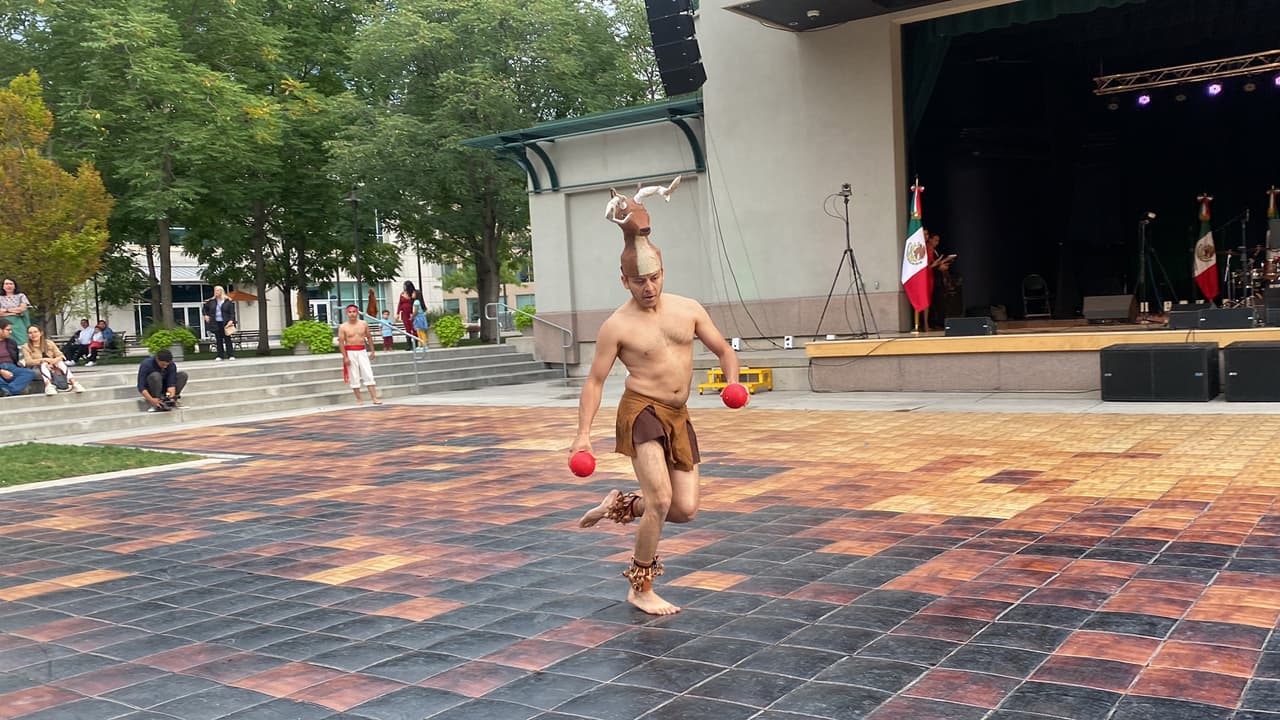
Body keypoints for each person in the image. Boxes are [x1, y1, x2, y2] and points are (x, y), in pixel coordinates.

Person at [572, 178, 741, 616]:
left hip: (678, 414)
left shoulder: (688, 309)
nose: (648, 287)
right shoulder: (617, 326)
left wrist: (732, 381)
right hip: (642, 411)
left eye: (654, 277)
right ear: (624, 280)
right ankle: (640, 585)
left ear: (663, 272)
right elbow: (594, 381)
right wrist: (582, 436)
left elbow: (724, 349)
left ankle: (620, 504)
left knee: (684, 509)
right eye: (639, 280)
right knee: (662, 501)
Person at [337, 304, 381, 405]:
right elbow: (341, 342)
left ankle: (374, 398)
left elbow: (369, 337)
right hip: (350, 351)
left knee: (368, 374)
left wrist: (372, 351)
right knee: (354, 375)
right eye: (350, 312)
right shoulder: (343, 327)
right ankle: (359, 399)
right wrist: (345, 357)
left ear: (357, 312)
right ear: (347, 313)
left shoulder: (363, 324)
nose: (352, 314)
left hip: (362, 351)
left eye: (354, 312)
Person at [22, 325, 85, 395]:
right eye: (30, 333)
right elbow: (28, 362)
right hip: (36, 368)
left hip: (53, 366)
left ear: (41, 333)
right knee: (44, 363)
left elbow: (61, 355)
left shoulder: (49, 343)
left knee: (60, 362)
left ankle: (74, 383)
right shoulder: (26, 346)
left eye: (35, 332)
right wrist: (45, 360)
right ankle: (48, 386)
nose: (33, 335)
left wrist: (54, 361)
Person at [0, 318, 37, 397]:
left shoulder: (11, 342)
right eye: (8, 330)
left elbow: (16, 357)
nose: (11, 332)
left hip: (12, 367)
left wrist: (20, 363)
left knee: (29, 373)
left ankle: (7, 390)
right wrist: (1, 371)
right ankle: (9, 390)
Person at [203, 285, 237, 361]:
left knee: (227, 339)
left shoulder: (228, 301)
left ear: (221, 291)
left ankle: (230, 355)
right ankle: (220, 355)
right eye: (215, 291)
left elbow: (232, 313)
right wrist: (205, 315)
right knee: (218, 339)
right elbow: (204, 309)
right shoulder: (211, 301)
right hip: (216, 322)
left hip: (225, 323)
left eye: (217, 291)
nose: (216, 292)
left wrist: (231, 320)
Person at [0, 277, 32, 345]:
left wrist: (6, 310)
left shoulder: (21, 296)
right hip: (3, 323)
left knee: (23, 341)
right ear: (3, 286)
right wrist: (14, 312)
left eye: (11, 284)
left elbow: (22, 309)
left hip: (19, 322)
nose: (9, 286)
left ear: (15, 286)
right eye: (6, 284)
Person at [397, 281, 421, 351]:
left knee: (413, 328)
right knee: (407, 329)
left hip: (411, 313)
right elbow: (400, 304)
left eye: (405, 286)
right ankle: (408, 345)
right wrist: (397, 313)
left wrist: (413, 313)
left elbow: (416, 303)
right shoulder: (402, 294)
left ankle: (416, 344)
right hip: (404, 314)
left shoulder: (413, 294)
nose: (404, 287)